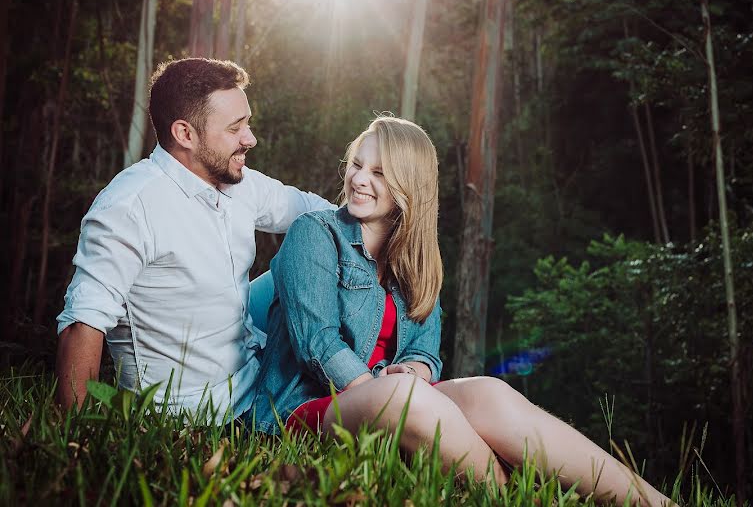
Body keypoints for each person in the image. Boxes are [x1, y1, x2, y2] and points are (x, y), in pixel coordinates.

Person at [250, 116, 675, 506]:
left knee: (487, 391)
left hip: (393, 401)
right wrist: (385, 389)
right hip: (305, 409)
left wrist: (413, 375)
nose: (359, 179)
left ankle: (651, 501)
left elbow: (424, 355)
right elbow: (317, 346)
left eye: (379, 172)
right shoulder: (315, 233)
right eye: (357, 165)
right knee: (404, 396)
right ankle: (520, 496)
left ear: (408, 185)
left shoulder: (417, 259)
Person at [55, 58, 334, 421]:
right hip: (197, 411)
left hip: (251, 363)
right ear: (185, 134)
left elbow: (313, 212)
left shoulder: (237, 181)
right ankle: (363, 386)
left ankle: (374, 364)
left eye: (247, 124)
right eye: (236, 128)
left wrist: (384, 226)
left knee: (309, 251)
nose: (250, 139)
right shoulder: (129, 206)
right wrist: (71, 425)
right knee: (372, 406)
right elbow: (83, 321)